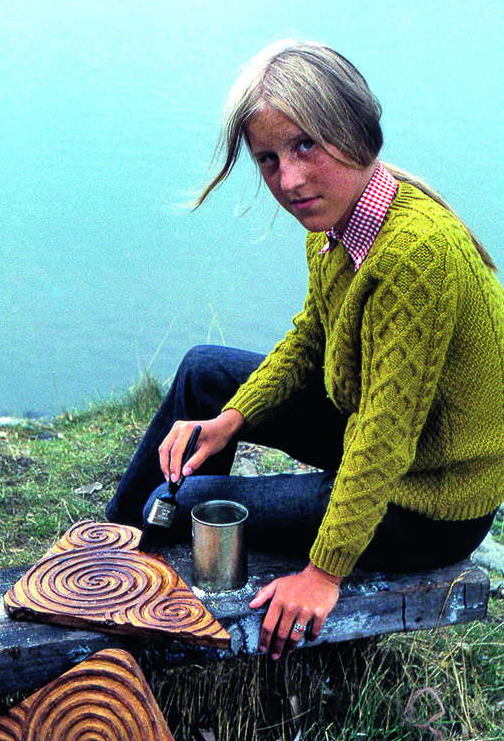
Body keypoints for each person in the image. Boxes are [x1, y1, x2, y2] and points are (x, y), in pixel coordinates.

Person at [106, 40, 504, 659]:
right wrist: (230, 420)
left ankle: (146, 561)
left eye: (305, 146)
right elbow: (311, 337)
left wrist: (323, 574)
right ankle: (111, 550)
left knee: (191, 503)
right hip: (380, 441)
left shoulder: (414, 253)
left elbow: (384, 437)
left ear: (354, 132)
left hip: (429, 502)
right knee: (205, 373)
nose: (288, 180)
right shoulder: (340, 218)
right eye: (268, 159)